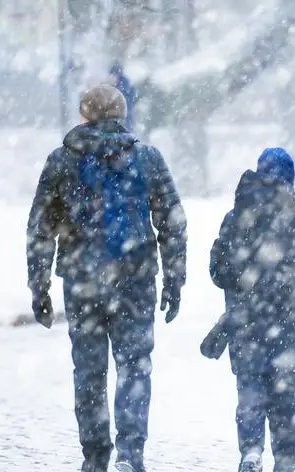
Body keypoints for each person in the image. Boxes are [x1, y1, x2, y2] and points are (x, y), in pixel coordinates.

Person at [26, 84, 187, 472]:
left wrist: (40, 284)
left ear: (84, 115)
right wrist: (174, 279)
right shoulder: (147, 159)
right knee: (135, 366)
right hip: (135, 278)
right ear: (121, 115)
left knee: (89, 371)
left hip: (82, 280)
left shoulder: (62, 160)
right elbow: (173, 223)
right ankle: (130, 455)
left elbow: (41, 228)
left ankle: (95, 456)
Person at [202, 147, 295, 472]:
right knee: (283, 393)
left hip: (245, 320)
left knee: (249, 390)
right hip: (289, 323)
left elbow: (218, 270)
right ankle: (286, 457)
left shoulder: (236, 216)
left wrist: (245, 281)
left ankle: (251, 451)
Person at [109, 60, 136, 132]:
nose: (112, 78)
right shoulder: (119, 84)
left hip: (125, 114)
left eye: (113, 76)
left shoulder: (123, 84)